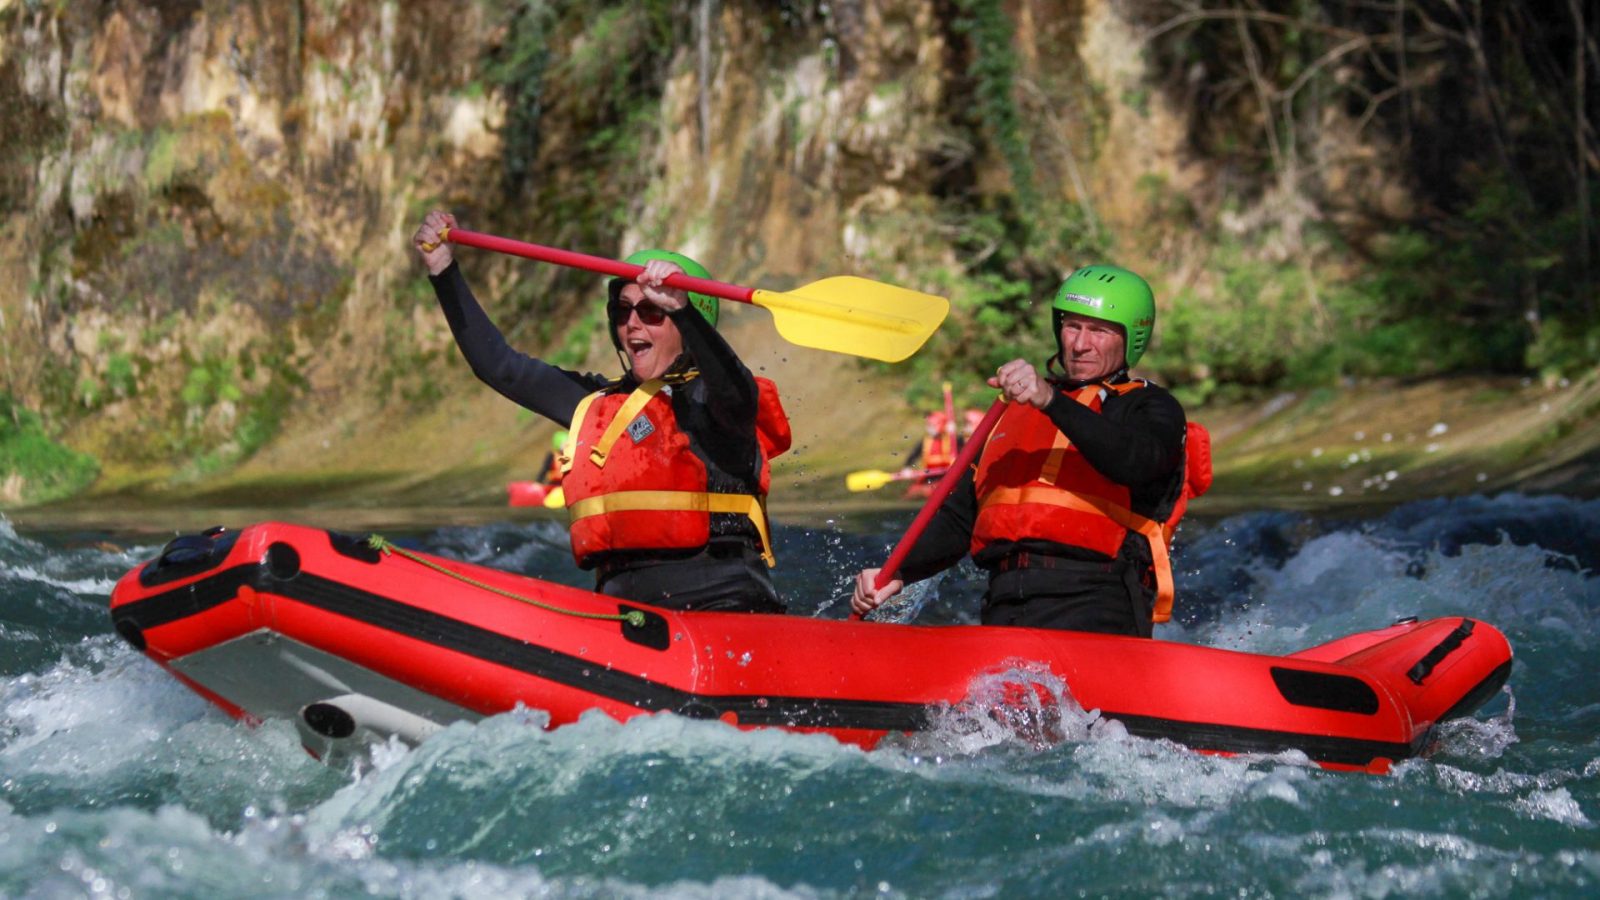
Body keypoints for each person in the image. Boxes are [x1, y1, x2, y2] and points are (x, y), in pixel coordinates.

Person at [414, 211, 792, 613]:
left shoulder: (719, 402)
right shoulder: (595, 402)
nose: (633, 324)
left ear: (688, 323)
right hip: (624, 613)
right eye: (623, 310)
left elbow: (735, 390)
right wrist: (443, 270)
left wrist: (683, 311)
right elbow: (500, 367)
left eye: (651, 311)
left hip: (725, 604)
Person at [851, 264, 1205, 637]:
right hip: (1005, 602)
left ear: (1131, 338)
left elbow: (1137, 461)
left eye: (1099, 331)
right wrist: (899, 571)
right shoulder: (1014, 412)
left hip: (1098, 601)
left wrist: (1051, 400)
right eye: (1072, 326)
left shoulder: (1150, 407)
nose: (1080, 344)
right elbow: (959, 518)